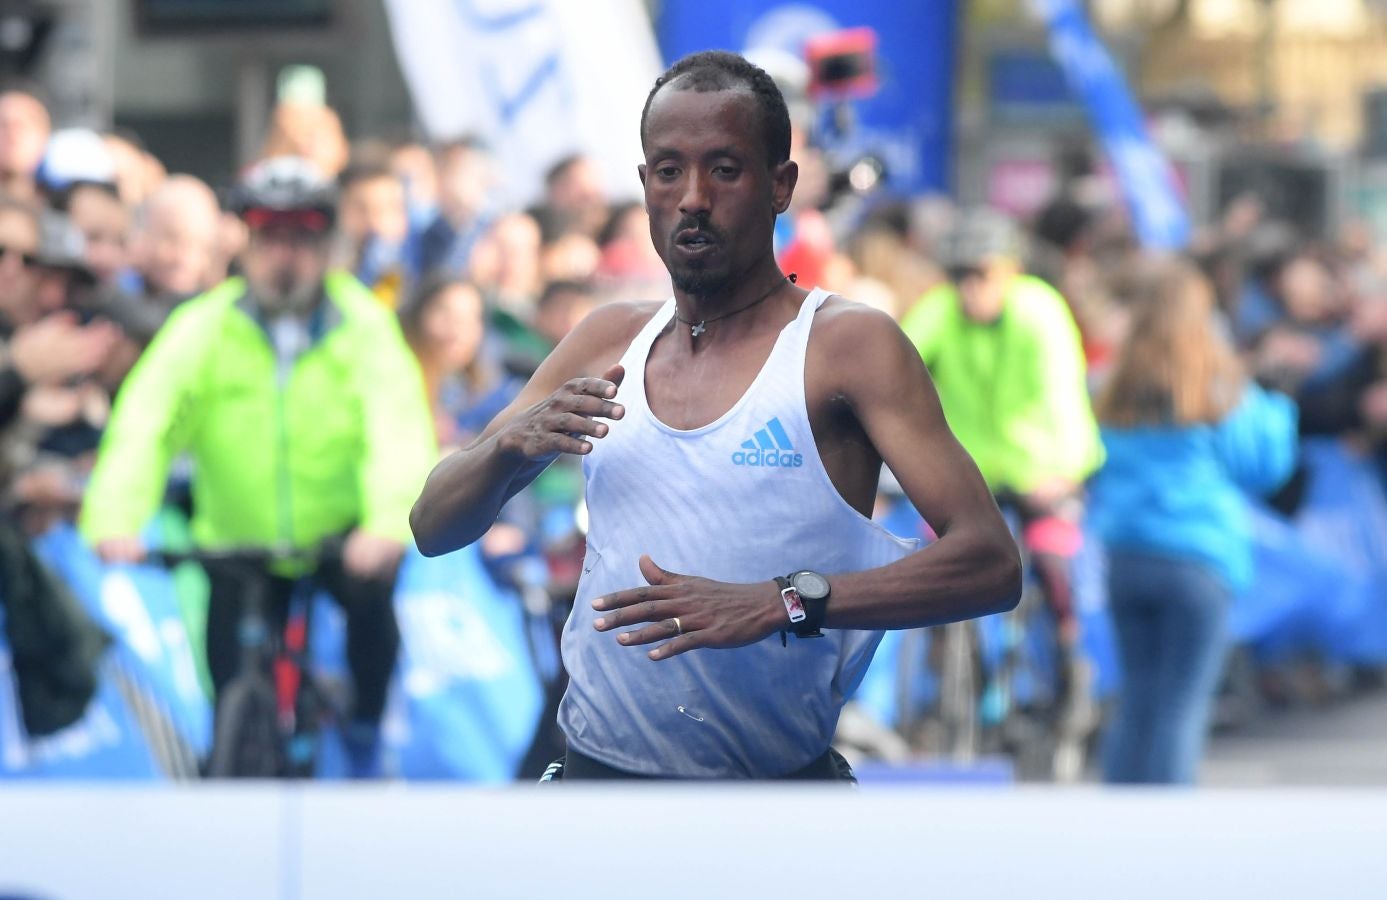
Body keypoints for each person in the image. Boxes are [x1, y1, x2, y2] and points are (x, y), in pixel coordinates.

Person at [410, 50, 1021, 781]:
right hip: (598, 790)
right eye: (668, 171)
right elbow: (431, 527)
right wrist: (506, 448)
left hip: (771, 806)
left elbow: (990, 563)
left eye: (724, 169)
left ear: (780, 185)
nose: (692, 197)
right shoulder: (607, 339)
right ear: (644, 188)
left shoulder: (844, 348)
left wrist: (784, 601)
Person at [80, 156, 437, 776]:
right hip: (238, 544)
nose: (284, 257)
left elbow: (397, 428)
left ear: (326, 245)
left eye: (301, 239)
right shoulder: (204, 326)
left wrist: (384, 524)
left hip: (339, 537)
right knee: (232, 694)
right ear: (245, 244)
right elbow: (147, 422)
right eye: (269, 238)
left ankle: (364, 726)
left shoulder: (364, 325)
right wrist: (115, 515)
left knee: (372, 627)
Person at [1089, 260, 1297, 784]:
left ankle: (1117, 831)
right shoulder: (1219, 386)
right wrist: (1280, 404)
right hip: (1198, 559)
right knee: (1181, 708)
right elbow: (1265, 467)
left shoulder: (1109, 386)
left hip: (1126, 555)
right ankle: (1166, 839)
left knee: (1136, 699)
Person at [900, 208, 1105, 731]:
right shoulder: (940, 310)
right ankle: (941, 663)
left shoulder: (1041, 311)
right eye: (960, 276)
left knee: (1054, 561)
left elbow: (1065, 398)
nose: (971, 290)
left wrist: (1064, 471)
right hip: (967, 474)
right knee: (933, 562)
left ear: (1011, 270)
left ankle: (1068, 654)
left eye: (983, 275)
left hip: (1044, 469)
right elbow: (894, 371)